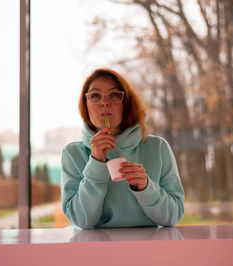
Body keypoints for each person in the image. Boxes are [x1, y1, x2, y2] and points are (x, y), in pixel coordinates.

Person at [61, 68, 184, 229]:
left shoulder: (158, 147)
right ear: (86, 107)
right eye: (95, 95)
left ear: (126, 104)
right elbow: (81, 220)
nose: (104, 102)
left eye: (114, 95)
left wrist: (146, 187)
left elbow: (172, 216)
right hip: (92, 250)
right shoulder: (73, 154)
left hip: (149, 249)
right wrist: (96, 162)